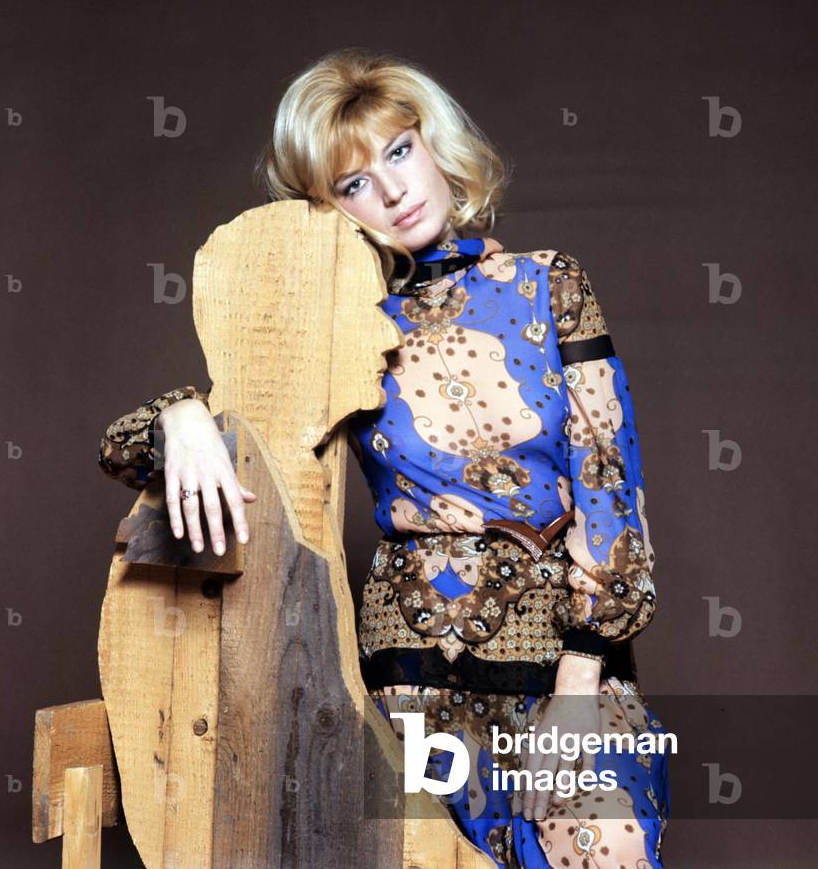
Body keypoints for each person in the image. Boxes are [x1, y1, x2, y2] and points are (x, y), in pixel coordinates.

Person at [97, 49, 670, 868]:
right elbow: (126, 447)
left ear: (435, 145)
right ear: (329, 209)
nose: (392, 191)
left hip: (569, 661)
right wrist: (183, 419)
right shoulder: (341, 330)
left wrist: (581, 682)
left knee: (602, 843)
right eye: (353, 183)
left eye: (398, 153)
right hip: (412, 670)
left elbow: (612, 489)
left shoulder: (550, 283)